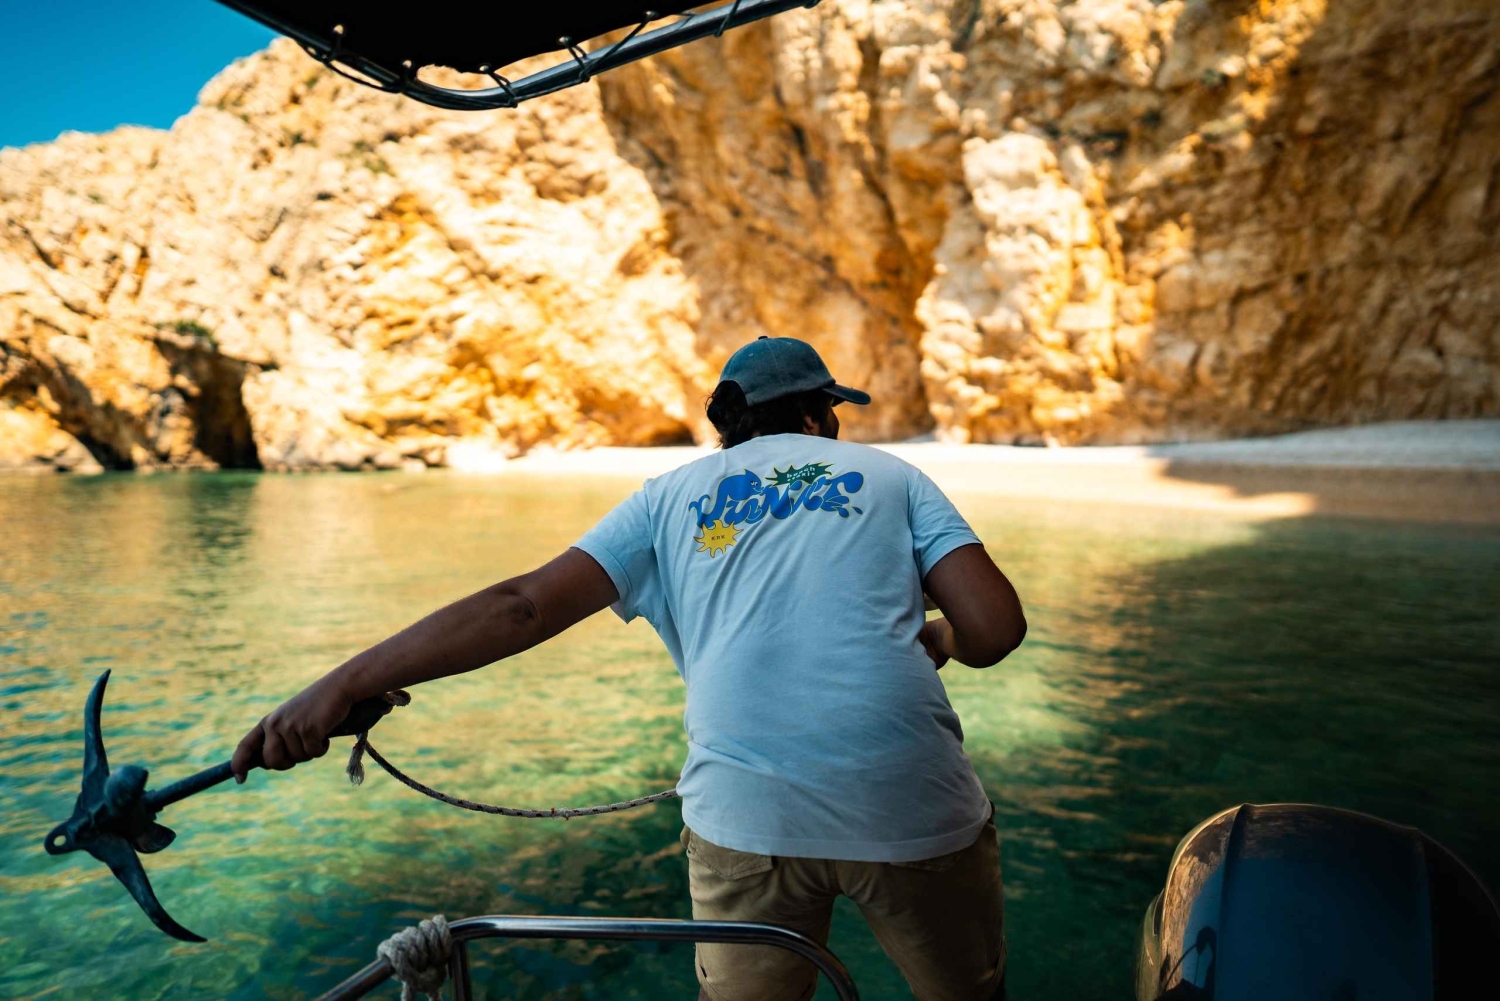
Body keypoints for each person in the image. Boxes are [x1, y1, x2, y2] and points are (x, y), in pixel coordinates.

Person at [232, 336, 1027, 1001]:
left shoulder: (667, 498)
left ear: (728, 425)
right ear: (819, 414)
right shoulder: (895, 477)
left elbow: (522, 607)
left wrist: (343, 683)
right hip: (911, 802)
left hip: (746, 817)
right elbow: (997, 627)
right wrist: (944, 638)